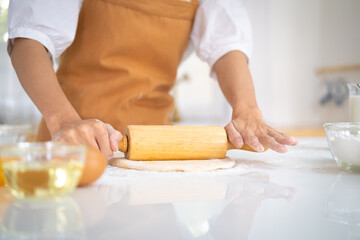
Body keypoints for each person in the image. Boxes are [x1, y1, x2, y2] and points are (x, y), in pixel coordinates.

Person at [7, 0, 298, 159]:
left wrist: (247, 109)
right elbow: (30, 39)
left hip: (156, 150)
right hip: (72, 144)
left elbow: (226, 45)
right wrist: (63, 121)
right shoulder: (67, 130)